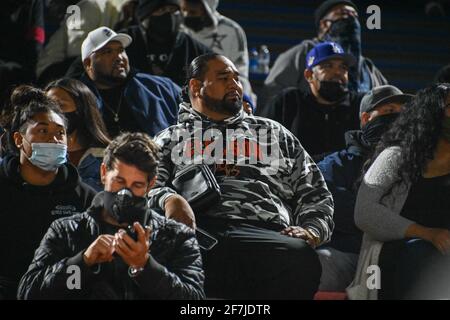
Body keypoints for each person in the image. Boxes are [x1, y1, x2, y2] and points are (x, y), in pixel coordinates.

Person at [149, 53, 334, 299]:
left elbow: (315, 193)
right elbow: (144, 188)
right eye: (224, 77)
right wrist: (169, 200)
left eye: (237, 78)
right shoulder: (170, 138)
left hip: (265, 232)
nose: (235, 84)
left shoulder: (273, 133)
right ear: (195, 85)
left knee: (299, 255)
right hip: (199, 231)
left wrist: (311, 230)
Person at [18, 132, 205, 300]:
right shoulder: (67, 231)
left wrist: (144, 266)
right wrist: (83, 262)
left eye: (137, 185)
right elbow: (29, 293)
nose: (125, 193)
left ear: (150, 185)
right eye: (119, 181)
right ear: (103, 173)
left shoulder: (176, 236)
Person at [348, 83, 450, 300]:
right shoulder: (396, 155)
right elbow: (364, 213)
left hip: (442, 260)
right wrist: (427, 233)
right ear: (432, 115)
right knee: (422, 252)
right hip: (391, 259)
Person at [0, 85, 96, 300]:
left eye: (60, 133)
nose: (54, 140)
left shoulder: (85, 197)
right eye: (43, 131)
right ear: (18, 139)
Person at [316, 85, 412, 292]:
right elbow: (339, 211)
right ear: (366, 119)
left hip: (400, 254)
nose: (398, 117)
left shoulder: (419, 162)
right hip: (349, 253)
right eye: (389, 111)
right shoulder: (335, 164)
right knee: (317, 265)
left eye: (403, 113)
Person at [259, 0, 387, 110]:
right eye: (344, 14)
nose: (351, 19)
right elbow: (271, 97)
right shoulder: (302, 53)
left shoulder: (368, 67)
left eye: (355, 15)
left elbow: (388, 101)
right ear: (325, 24)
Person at [257, 42, 364, 161]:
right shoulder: (288, 102)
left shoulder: (360, 105)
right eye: (328, 66)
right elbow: (260, 146)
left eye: (343, 67)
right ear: (309, 75)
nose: (338, 72)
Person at [79, 26, 181, 137]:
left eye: (121, 50)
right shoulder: (76, 100)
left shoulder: (161, 87)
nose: (119, 57)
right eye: (107, 52)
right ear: (88, 63)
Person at [118, 0, 212, 86]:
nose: (169, 15)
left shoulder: (195, 49)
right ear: (146, 16)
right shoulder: (125, 41)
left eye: (173, 10)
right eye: (161, 10)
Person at [36, 0, 130, 85]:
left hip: (81, 69)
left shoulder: (125, 19)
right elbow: (77, 56)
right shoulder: (91, 6)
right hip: (51, 72)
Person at [46, 78, 112, 191]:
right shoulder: (39, 155)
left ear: (82, 109)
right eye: (48, 107)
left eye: (61, 106)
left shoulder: (109, 156)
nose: (53, 113)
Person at [180, 0, 253, 100]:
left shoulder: (231, 30)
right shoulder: (179, 28)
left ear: (207, 8)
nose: (186, 15)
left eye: (193, 12)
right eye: (184, 11)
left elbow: (240, 73)